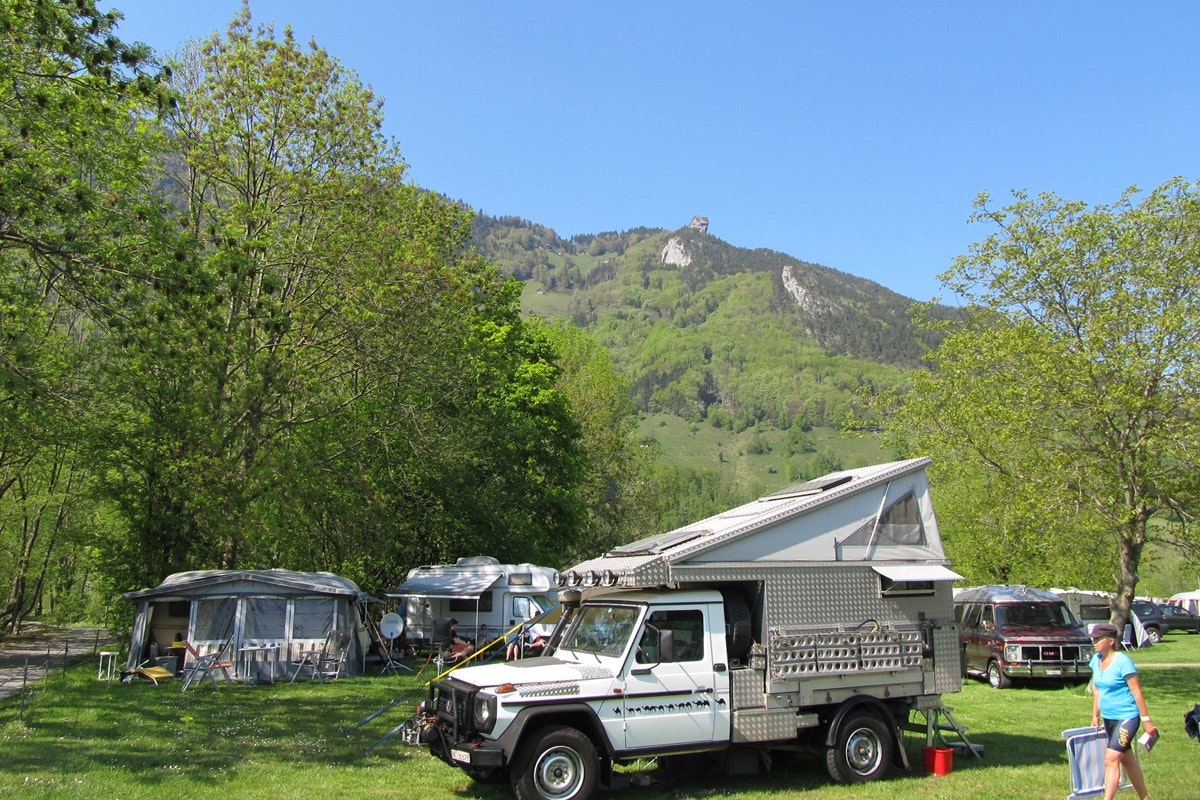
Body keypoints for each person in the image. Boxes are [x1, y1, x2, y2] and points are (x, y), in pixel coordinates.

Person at [1088, 622, 1156, 800]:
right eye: (1093, 639)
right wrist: (1095, 714)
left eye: (1098, 638)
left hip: (1127, 717)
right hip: (1109, 718)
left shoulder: (1123, 662)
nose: (1094, 642)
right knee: (1126, 760)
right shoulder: (1096, 661)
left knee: (1111, 759)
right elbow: (1097, 689)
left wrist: (1146, 720)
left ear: (1110, 641)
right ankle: (1145, 797)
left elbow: (1137, 692)